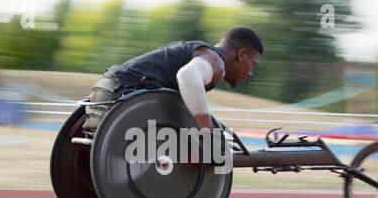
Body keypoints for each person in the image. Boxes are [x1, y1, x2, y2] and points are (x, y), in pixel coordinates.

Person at [82, 26, 263, 135]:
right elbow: (187, 77)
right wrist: (207, 136)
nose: (250, 74)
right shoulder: (216, 62)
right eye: (253, 65)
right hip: (123, 93)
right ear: (242, 54)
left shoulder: (194, 49)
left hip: (102, 90)